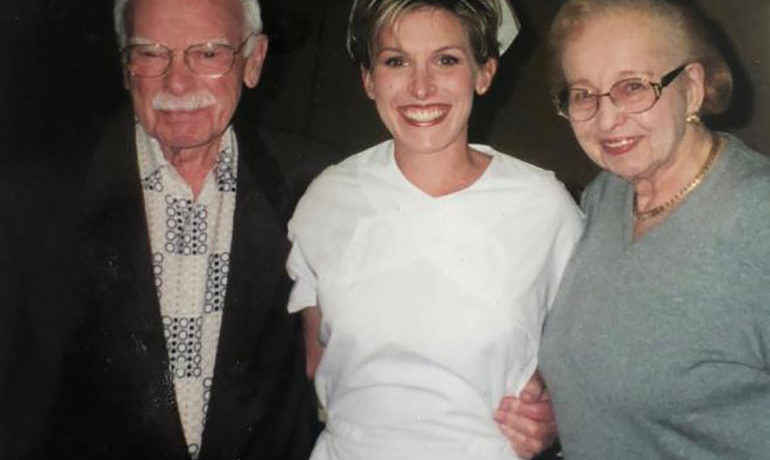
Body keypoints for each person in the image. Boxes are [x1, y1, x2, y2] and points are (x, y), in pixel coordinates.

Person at [12, 0, 330, 458]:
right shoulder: (35, 202)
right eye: (150, 54)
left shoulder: (317, 187)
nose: (177, 82)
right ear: (125, 67)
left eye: (208, 54)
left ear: (254, 61)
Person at [285, 1, 583, 459]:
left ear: (484, 73)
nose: (421, 88)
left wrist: (557, 415)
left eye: (446, 60)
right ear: (369, 79)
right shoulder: (327, 200)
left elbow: (589, 366)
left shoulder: (543, 208)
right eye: (396, 61)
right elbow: (318, 362)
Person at [534, 0, 770, 458]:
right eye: (584, 93)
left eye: (632, 87)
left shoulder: (758, 222)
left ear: (694, 88)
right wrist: (557, 414)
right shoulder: (606, 197)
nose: (606, 119)